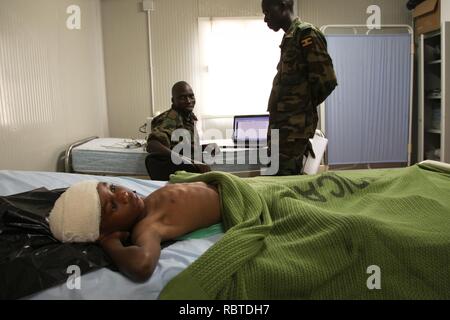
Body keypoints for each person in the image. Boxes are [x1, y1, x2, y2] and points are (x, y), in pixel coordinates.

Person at [48, 179, 221, 282]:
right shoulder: (147, 226)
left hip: (222, 185)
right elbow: (142, 266)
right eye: (113, 206)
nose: (123, 194)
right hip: (231, 200)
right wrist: (109, 242)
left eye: (113, 188)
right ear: (107, 231)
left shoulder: (142, 205)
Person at [262, 0, 337, 175]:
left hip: (292, 132)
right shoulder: (290, 38)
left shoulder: (306, 34)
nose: (265, 18)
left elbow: (326, 81)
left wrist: (301, 111)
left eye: (267, 12)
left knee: (284, 183)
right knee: (275, 179)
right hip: (282, 131)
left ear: (282, 6)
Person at [145, 81, 211, 179]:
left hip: (187, 170)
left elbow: (182, 146)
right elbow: (152, 145)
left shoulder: (188, 116)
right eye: (182, 97)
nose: (189, 101)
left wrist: (203, 147)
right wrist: (190, 162)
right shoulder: (171, 118)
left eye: (191, 96)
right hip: (179, 173)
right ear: (173, 100)